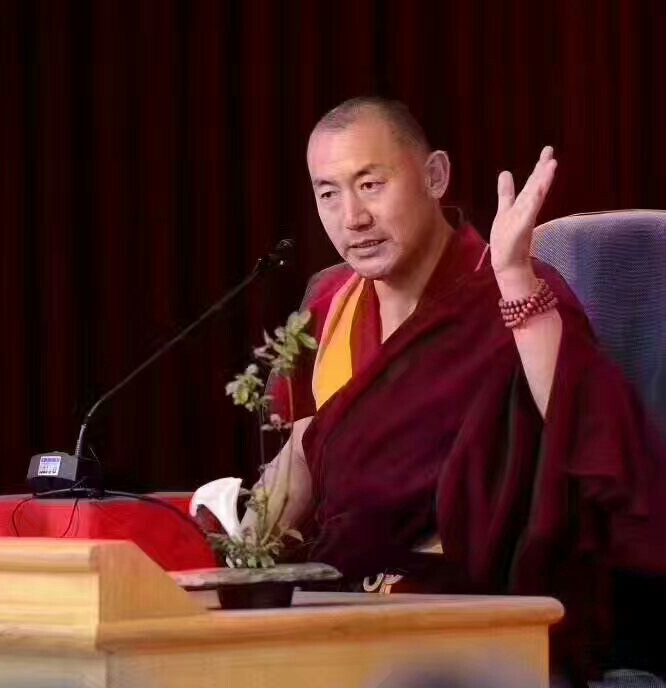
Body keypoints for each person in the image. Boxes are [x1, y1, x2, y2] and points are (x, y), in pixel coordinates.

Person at [245, 97, 666, 684]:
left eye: (370, 184)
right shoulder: (329, 307)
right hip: (340, 604)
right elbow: (305, 449)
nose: (352, 217)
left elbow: (583, 426)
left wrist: (514, 277)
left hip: (478, 615)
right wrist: (241, 559)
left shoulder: (505, 289)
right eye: (329, 194)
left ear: (435, 176)